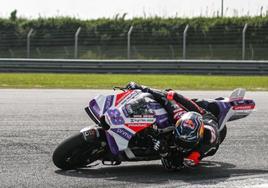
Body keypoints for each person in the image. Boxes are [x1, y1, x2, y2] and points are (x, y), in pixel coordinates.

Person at [126, 82, 220, 169]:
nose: (180, 144)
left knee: (172, 164)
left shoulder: (205, 143)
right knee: (170, 94)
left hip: (205, 120)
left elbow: (175, 165)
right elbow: (164, 97)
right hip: (194, 116)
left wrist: (165, 153)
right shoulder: (178, 115)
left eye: (185, 143)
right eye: (180, 140)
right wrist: (140, 87)